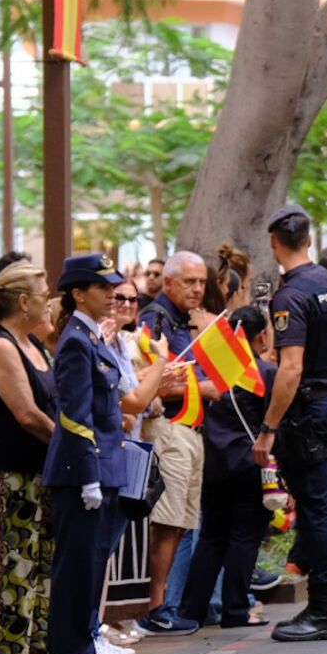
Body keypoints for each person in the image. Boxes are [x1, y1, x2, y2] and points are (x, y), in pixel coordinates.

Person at [253, 205, 327, 643]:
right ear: (309, 240)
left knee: (315, 510)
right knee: (326, 505)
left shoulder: (290, 296)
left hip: (310, 412)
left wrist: (268, 427)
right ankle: (324, 606)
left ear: (275, 244)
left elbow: (290, 368)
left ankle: (324, 610)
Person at [41, 255, 127, 654]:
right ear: (78, 294)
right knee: (77, 565)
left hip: (101, 466)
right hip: (82, 470)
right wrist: (89, 475)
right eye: (102, 287)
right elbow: (75, 417)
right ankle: (72, 648)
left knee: (93, 562)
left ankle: (86, 638)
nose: (112, 294)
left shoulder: (91, 337)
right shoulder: (76, 341)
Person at [0, 262, 57, 654]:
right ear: (24, 302)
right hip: (10, 478)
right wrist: (69, 443)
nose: (50, 302)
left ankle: (36, 653)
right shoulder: (1, 345)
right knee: (11, 569)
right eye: (43, 296)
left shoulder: (33, 343)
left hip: (40, 474)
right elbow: (27, 414)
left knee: (39, 565)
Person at [133, 250, 218, 633]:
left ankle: (168, 603)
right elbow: (154, 383)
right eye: (189, 282)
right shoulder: (155, 319)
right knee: (168, 521)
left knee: (182, 522)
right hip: (169, 427)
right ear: (168, 283)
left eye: (201, 282)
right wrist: (200, 385)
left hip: (191, 428)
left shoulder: (184, 320)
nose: (198, 289)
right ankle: (157, 607)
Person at [178, 306, 278, 630]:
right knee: (244, 538)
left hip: (213, 463)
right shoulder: (262, 374)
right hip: (251, 463)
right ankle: (236, 609)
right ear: (261, 335)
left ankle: (191, 610)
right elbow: (275, 423)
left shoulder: (210, 376)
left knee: (211, 538)